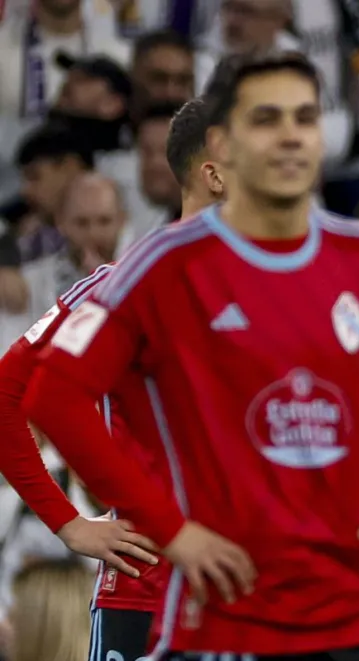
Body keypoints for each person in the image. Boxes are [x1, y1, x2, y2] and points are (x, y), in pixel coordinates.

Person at [24, 51, 359, 660]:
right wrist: (166, 530)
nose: (291, 135)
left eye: (305, 117)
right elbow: (53, 397)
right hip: (231, 620)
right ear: (226, 144)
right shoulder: (161, 268)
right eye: (267, 118)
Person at [0, 96, 225, 661]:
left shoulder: (288, 292)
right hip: (145, 597)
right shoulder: (116, 287)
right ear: (215, 173)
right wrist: (69, 523)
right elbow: (5, 393)